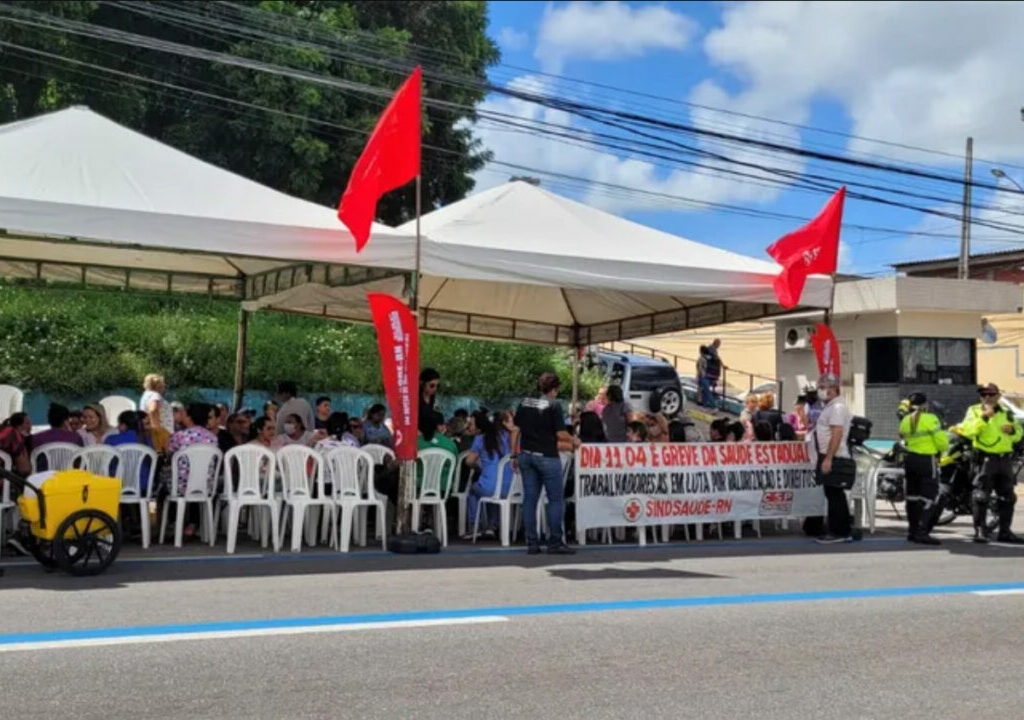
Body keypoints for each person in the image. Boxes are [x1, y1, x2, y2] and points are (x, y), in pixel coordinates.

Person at [511, 372, 574, 555]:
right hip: (547, 456)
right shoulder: (554, 405)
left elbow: (515, 430)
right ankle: (555, 542)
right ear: (555, 389)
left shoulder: (525, 402)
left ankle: (532, 543)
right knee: (555, 500)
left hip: (526, 456)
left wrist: (514, 455)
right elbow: (561, 434)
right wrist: (575, 440)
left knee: (530, 499)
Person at [959, 383, 1024, 544]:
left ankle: (1005, 531)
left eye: (991, 394)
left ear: (998, 396)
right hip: (985, 459)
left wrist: (1013, 431)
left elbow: (1018, 434)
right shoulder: (974, 411)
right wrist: (984, 417)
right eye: (983, 394)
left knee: (1008, 497)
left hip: (1004, 459)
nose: (987, 397)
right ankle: (980, 531)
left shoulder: (1006, 412)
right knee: (981, 496)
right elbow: (968, 430)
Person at [898, 392, 947, 545]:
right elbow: (942, 442)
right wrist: (942, 449)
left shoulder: (905, 420)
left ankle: (912, 531)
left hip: (910, 460)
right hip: (926, 460)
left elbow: (903, 438)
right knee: (929, 497)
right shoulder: (931, 419)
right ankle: (922, 531)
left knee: (912, 497)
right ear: (925, 404)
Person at [813, 374, 856, 544]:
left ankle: (839, 531)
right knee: (832, 493)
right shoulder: (831, 406)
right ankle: (840, 529)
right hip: (829, 454)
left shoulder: (837, 407)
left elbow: (836, 434)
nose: (821, 391)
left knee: (835, 494)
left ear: (833, 388)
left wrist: (829, 458)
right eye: (820, 387)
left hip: (834, 455)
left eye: (824, 387)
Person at [167, 403, 219, 538]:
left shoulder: (179, 436)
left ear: (189, 417)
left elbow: (170, 454)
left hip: (180, 486)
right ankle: (193, 524)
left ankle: (171, 523)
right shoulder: (212, 438)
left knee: (162, 488)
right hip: (205, 486)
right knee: (196, 483)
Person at [463, 412, 513, 539]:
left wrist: (477, 467)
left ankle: (475, 526)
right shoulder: (509, 437)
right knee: (493, 491)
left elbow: (469, 461)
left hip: (489, 488)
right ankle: (492, 526)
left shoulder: (480, 439)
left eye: (472, 424)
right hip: (511, 489)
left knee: (475, 491)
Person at [417, 411, 459, 497]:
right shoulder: (451, 444)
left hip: (418, 487)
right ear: (440, 426)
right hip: (442, 489)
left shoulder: (416, 443)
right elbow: (455, 465)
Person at [699, 339, 724, 408]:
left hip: (706, 375)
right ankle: (709, 405)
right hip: (710, 374)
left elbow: (701, 368)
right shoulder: (712, 351)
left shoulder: (704, 357)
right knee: (706, 390)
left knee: (706, 390)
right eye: (719, 344)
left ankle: (709, 405)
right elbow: (717, 359)